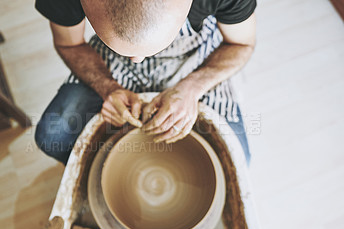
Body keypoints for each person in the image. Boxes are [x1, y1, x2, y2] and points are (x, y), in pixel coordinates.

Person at [34, 0, 256, 165]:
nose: (138, 60)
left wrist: (191, 88)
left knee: (235, 159)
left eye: (147, 50)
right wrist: (108, 87)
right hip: (111, 64)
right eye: (132, 51)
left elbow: (241, 44)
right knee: (54, 135)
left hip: (196, 56)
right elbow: (69, 44)